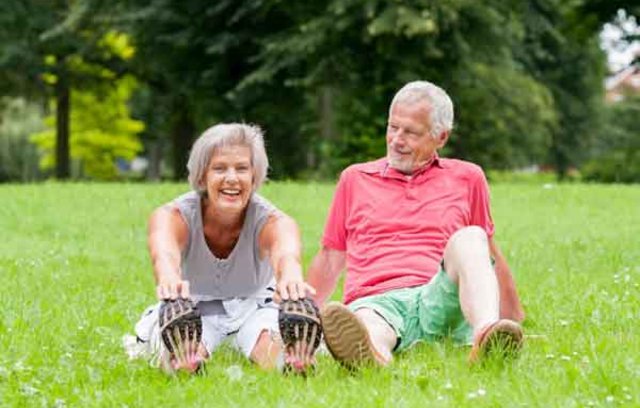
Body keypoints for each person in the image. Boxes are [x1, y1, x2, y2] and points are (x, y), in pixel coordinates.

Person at [307, 81, 525, 368]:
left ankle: (486, 335)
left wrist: (512, 319)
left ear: (441, 137)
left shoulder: (468, 177)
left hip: (438, 295)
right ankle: (371, 357)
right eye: (392, 127)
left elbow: (485, 254)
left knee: (472, 236)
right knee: (368, 325)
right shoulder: (354, 179)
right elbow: (330, 256)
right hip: (376, 300)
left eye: (410, 132)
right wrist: (302, 319)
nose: (396, 139)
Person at [124, 123, 315, 373]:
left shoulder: (274, 220)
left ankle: (293, 365)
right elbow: (164, 253)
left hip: (255, 306)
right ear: (202, 176)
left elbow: (286, 253)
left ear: (254, 176)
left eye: (242, 169)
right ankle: (185, 363)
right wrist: (169, 277)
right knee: (183, 347)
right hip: (192, 309)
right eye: (220, 168)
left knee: (271, 344)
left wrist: (290, 278)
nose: (232, 178)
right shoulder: (172, 215)